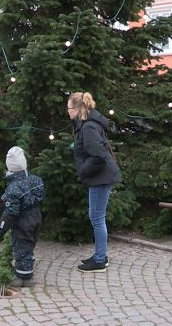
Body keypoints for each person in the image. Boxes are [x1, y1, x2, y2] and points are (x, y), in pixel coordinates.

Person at [67, 92, 121, 273]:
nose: (67, 112)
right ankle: (100, 255)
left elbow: (99, 156)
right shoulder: (86, 124)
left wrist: (83, 170)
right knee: (97, 218)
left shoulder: (88, 127)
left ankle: (99, 260)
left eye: (69, 108)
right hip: (100, 176)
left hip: (100, 177)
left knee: (97, 218)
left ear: (77, 109)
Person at [0, 146, 44, 287]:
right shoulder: (36, 180)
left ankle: (24, 277)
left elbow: (11, 213)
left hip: (22, 221)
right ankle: (28, 266)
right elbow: (40, 196)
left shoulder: (13, 188)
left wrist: (0, 230)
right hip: (36, 216)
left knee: (21, 247)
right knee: (30, 243)